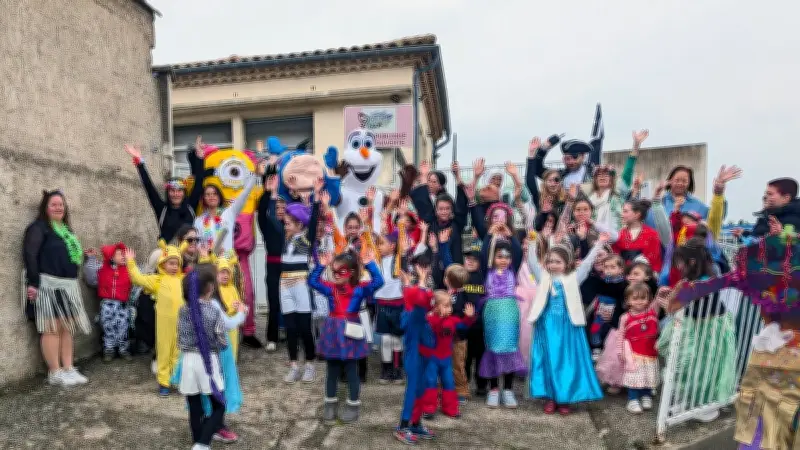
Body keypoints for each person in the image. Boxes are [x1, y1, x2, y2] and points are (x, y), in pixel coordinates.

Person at [527, 233, 608, 415]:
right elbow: (532, 263)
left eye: (557, 262)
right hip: (547, 326)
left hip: (568, 327)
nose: (553, 265)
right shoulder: (544, 277)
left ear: (567, 263)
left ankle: (565, 398)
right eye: (550, 261)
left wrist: (599, 245)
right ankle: (550, 396)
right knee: (548, 360)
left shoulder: (573, 278)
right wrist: (533, 242)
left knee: (566, 361)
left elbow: (587, 264)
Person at [657, 237, 736, 422]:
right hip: (698, 326)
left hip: (709, 329)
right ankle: (690, 400)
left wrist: (668, 301)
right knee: (691, 365)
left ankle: (706, 404)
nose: (677, 265)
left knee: (705, 366)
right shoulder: (697, 278)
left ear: (691, 262)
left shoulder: (701, 282)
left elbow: (672, 307)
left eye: (679, 261)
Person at [23, 190, 92, 386]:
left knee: (67, 328)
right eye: (53, 204)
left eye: (61, 204)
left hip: (68, 286)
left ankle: (68, 368)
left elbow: (69, 255)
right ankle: (55, 371)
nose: (58, 207)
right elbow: (30, 256)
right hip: (48, 286)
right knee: (51, 328)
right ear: (45, 208)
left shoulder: (67, 231)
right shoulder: (38, 228)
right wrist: (33, 283)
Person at [310, 249, 384, 424]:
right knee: (332, 371)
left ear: (351, 272)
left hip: (351, 330)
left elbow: (379, 282)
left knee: (352, 370)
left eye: (340, 271)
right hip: (333, 332)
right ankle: (330, 404)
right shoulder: (330, 289)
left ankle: (353, 405)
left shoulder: (359, 289)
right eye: (333, 271)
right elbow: (312, 281)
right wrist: (320, 266)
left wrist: (370, 264)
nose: (336, 275)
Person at [274, 179, 322, 384]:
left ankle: (310, 364)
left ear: (300, 224)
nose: (285, 224)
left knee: (304, 327)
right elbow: (271, 216)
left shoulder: (306, 239)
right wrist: (275, 193)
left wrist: (313, 198)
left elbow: (313, 221)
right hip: (284, 284)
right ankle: (294, 365)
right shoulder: (283, 238)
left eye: (289, 222)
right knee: (291, 328)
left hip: (301, 284)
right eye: (285, 222)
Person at [125, 241, 187, 396]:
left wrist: (207, 257)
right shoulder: (157, 280)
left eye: (176, 264)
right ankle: (163, 382)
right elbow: (138, 278)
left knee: (178, 353)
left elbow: (201, 277)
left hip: (181, 324)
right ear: (162, 264)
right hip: (164, 326)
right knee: (164, 352)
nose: (174, 267)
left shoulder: (183, 280)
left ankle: (177, 379)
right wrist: (130, 262)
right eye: (170, 263)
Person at [176, 266, 227, 450]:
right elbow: (222, 340)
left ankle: (197, 440)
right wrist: (222, 346)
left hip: (188, 360)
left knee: (194, 404)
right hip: (208, 362)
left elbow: (180, 337)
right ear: (210, 287)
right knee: (219, 405)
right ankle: (202, 443)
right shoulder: (214, 312)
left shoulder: (183, 310)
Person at [124, 139, 205, 243]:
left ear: (184, 193)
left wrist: (200, 158)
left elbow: (199, 182)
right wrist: (139, 161)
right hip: (167, 256)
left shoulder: (191, 206)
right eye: (172, 190)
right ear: (168, 192)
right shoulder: (162, 209)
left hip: (189, 255)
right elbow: (149, 187)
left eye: (179, 190)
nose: (176, 194)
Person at [479, 240, 527, 409]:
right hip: (492, 313)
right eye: (499, 256)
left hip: (510, 312)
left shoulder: (513, 271)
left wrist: (510, 234)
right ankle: (493, 389)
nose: (504, 260)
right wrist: (491, 234)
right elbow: (485, 250)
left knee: (509, 349)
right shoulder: (487, 270)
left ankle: (507, 389)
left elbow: (518, 251)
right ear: (492, 257)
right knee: (493, 349)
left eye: (507, 257)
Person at [394, 259, 436, 445]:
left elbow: (425, 299)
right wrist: (421, 281)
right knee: (413, 390)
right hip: (415, 357)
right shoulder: (412, 314)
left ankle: (416, 423)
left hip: (425, 356)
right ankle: (403, 426)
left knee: (421, 389)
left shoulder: (417, 311)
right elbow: (421, 299)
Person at [419, 291, 476, 419]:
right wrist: (438, 317)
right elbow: (432, 329)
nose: (449, 309)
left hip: (445, 360)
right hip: (432, 359)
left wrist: (469, 317)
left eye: (450, 306)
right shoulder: (430, 320)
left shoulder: (452, 320)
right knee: (431, 381)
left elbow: (463, 326)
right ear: (436, 306)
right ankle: (428, 408)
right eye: (445, 306)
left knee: (449, 382)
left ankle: (450, 408)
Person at [194, 162, 260, 255]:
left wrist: (255, 175)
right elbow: (197, 244)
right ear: (203, 198)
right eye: (207, 194)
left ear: (219, 196)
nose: (211, 197)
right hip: (207, 263)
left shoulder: (229, 213)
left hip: (227, 263)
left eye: (214, 194)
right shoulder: (199, 221)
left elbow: (245, 194)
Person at [83, 243, 133, 362]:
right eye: (120, 254)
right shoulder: (103, 269)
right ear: (111, 257)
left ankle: (123, 349)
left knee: (123, 327)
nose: (123, 256)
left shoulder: (129, 269)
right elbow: (91, 278)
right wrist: (91, 259)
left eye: (124, 254)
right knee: (107, 326)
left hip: (122, 304)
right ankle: (109, 349)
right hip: (107, 304)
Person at [617, 283, 662, 414]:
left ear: (649, 299)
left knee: (648, 375)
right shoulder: (625, 317)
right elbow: (620, 336)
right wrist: (620, 351)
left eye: (643, 298)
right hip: (634, 353)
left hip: (650, 352)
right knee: (635, 377)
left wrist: (660, 292)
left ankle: (646, 395)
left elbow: (658, 301)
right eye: (635, 298)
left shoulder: (652, 312)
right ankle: (633, 399)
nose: (639, 302)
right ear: (628, 300)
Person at [374, 229, 406, 384]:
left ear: (393, 246)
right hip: (382, 304)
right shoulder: (376, 260)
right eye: (378, 244)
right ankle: (386, 368)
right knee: (385, 338)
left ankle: (397, 367)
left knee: (396, 338)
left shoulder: (400, 260)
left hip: (398, 303)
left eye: (382, 244)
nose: (379, 247)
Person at [256, 175, 284, 352]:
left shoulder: (293, 227)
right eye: (277, 207)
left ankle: (292, 335)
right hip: (272, 266)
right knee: (273, 302)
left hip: (290, 268)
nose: (280, 210)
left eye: (283, 207)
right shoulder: (268, 226)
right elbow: (261, 211)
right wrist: (268, 192)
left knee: (292, 303)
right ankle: (271, 337)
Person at [462, 244, 488, 398]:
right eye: (467, 259)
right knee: (465, 358)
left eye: (474, 259)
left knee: (481, 357)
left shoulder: (483, 276)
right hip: (465, 325)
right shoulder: (461, 276)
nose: (470, 262)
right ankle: (463, 384)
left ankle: (481, 385)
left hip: (481, 326)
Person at [613, 199, 663, 272]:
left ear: (637, 214)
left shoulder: (651, 234)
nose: (622, 215)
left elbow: (654, 261)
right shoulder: (619, 234)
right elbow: (615, 258)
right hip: (622, 277)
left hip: (644, 276)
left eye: (625, 211)